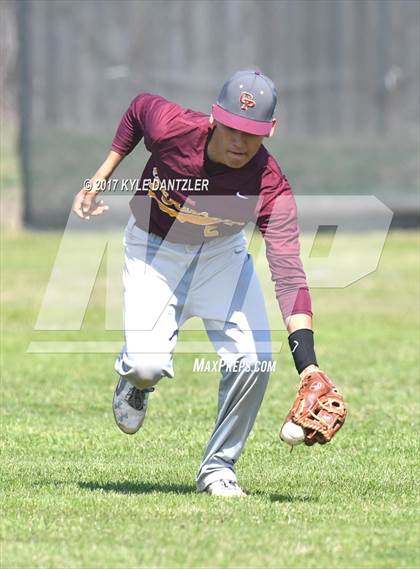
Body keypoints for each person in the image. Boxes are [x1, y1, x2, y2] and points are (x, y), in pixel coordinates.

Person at [72, 69, 320, 498]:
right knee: (146, 366)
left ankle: (218, 468)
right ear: (214, 118)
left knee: (254, 359)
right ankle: (136, 380)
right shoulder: (173, 128)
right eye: (232, 129)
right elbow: (137, 108)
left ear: (271, 130)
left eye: (253, 133)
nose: (240, 142)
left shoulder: (270, 185)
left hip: (221, 255)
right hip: (154, 248)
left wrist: (308, 363)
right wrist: (103, 174)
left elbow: (289, 272)